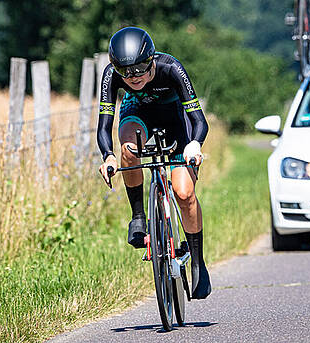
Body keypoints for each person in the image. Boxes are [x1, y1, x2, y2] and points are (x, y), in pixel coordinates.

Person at [97, 27, 211, 299]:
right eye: (125, 71)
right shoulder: (112, 75)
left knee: (184, 193)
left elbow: (198, 121)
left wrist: (195, 144)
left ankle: (198, 262)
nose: (133, 77)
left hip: (175, 123)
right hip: (136, 117)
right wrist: (107, 155)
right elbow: (103, 127)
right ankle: (138, 217)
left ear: (151, 60)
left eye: (139, 68)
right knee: (128, 149)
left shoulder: (171, 68)